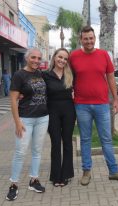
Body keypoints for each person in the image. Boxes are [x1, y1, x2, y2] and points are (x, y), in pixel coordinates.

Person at [69, 26, 118, 186]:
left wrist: (115, 100)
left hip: (103, 105)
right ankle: (86, 172)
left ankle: (114, 171)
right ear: (81, 39)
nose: (88, 41)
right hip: (81, 105)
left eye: (91, 38)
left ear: (94, 38)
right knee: (85, 140)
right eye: (85, 38)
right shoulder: (74, 56)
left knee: (106, 140)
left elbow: (111, 78)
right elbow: (68, 78)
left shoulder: (103, 55)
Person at [6, 48, 49, 201]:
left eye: (39, 58)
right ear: (27, 58)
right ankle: (14, 185)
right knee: (20, 152)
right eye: (33, 57)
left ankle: (33, 180)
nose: (36, 60)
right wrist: (17, 122)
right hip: (25, 119)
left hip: (43, 118)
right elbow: (13, 100)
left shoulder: (40, 74)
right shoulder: (19, 75)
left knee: (37, 151)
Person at [42, 48, 76, 187]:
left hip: (69, 111)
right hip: (52, 112)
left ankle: (66, 174)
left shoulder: (71, 74)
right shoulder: (45, 75)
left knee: (67, 143)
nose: (62, 60)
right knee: (56, 143)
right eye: (60, 57)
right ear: (54, 57)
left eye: (65, 58)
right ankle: (56, 176)